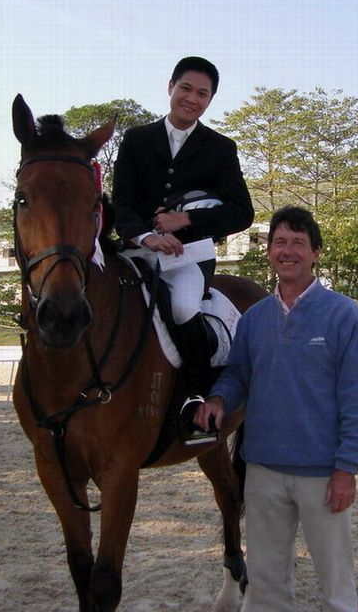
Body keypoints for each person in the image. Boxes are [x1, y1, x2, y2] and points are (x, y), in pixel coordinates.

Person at [194, 206, 358, 611]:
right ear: (269, 252)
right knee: (266, 588)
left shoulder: (343, 314)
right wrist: (219, 399)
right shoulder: (254, 319)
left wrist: (347, 469)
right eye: (279, 242)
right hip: (263, 471)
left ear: (316, 252)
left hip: (323, 474)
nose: (287, 251)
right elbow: (239, 375)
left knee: (336, 587)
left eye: (298, 242)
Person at [112, 56, 254, 439]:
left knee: (183, 306)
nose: (192, 98)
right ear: (170, 87)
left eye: (202, 94)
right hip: (137, 250)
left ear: (210, 100)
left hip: (188, 258)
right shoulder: (136, 139)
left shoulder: (220, 148)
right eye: (186, 88)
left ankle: (196, 398)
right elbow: (122, 203)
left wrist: (186, 220)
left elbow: (242, 212)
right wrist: (146, 237)